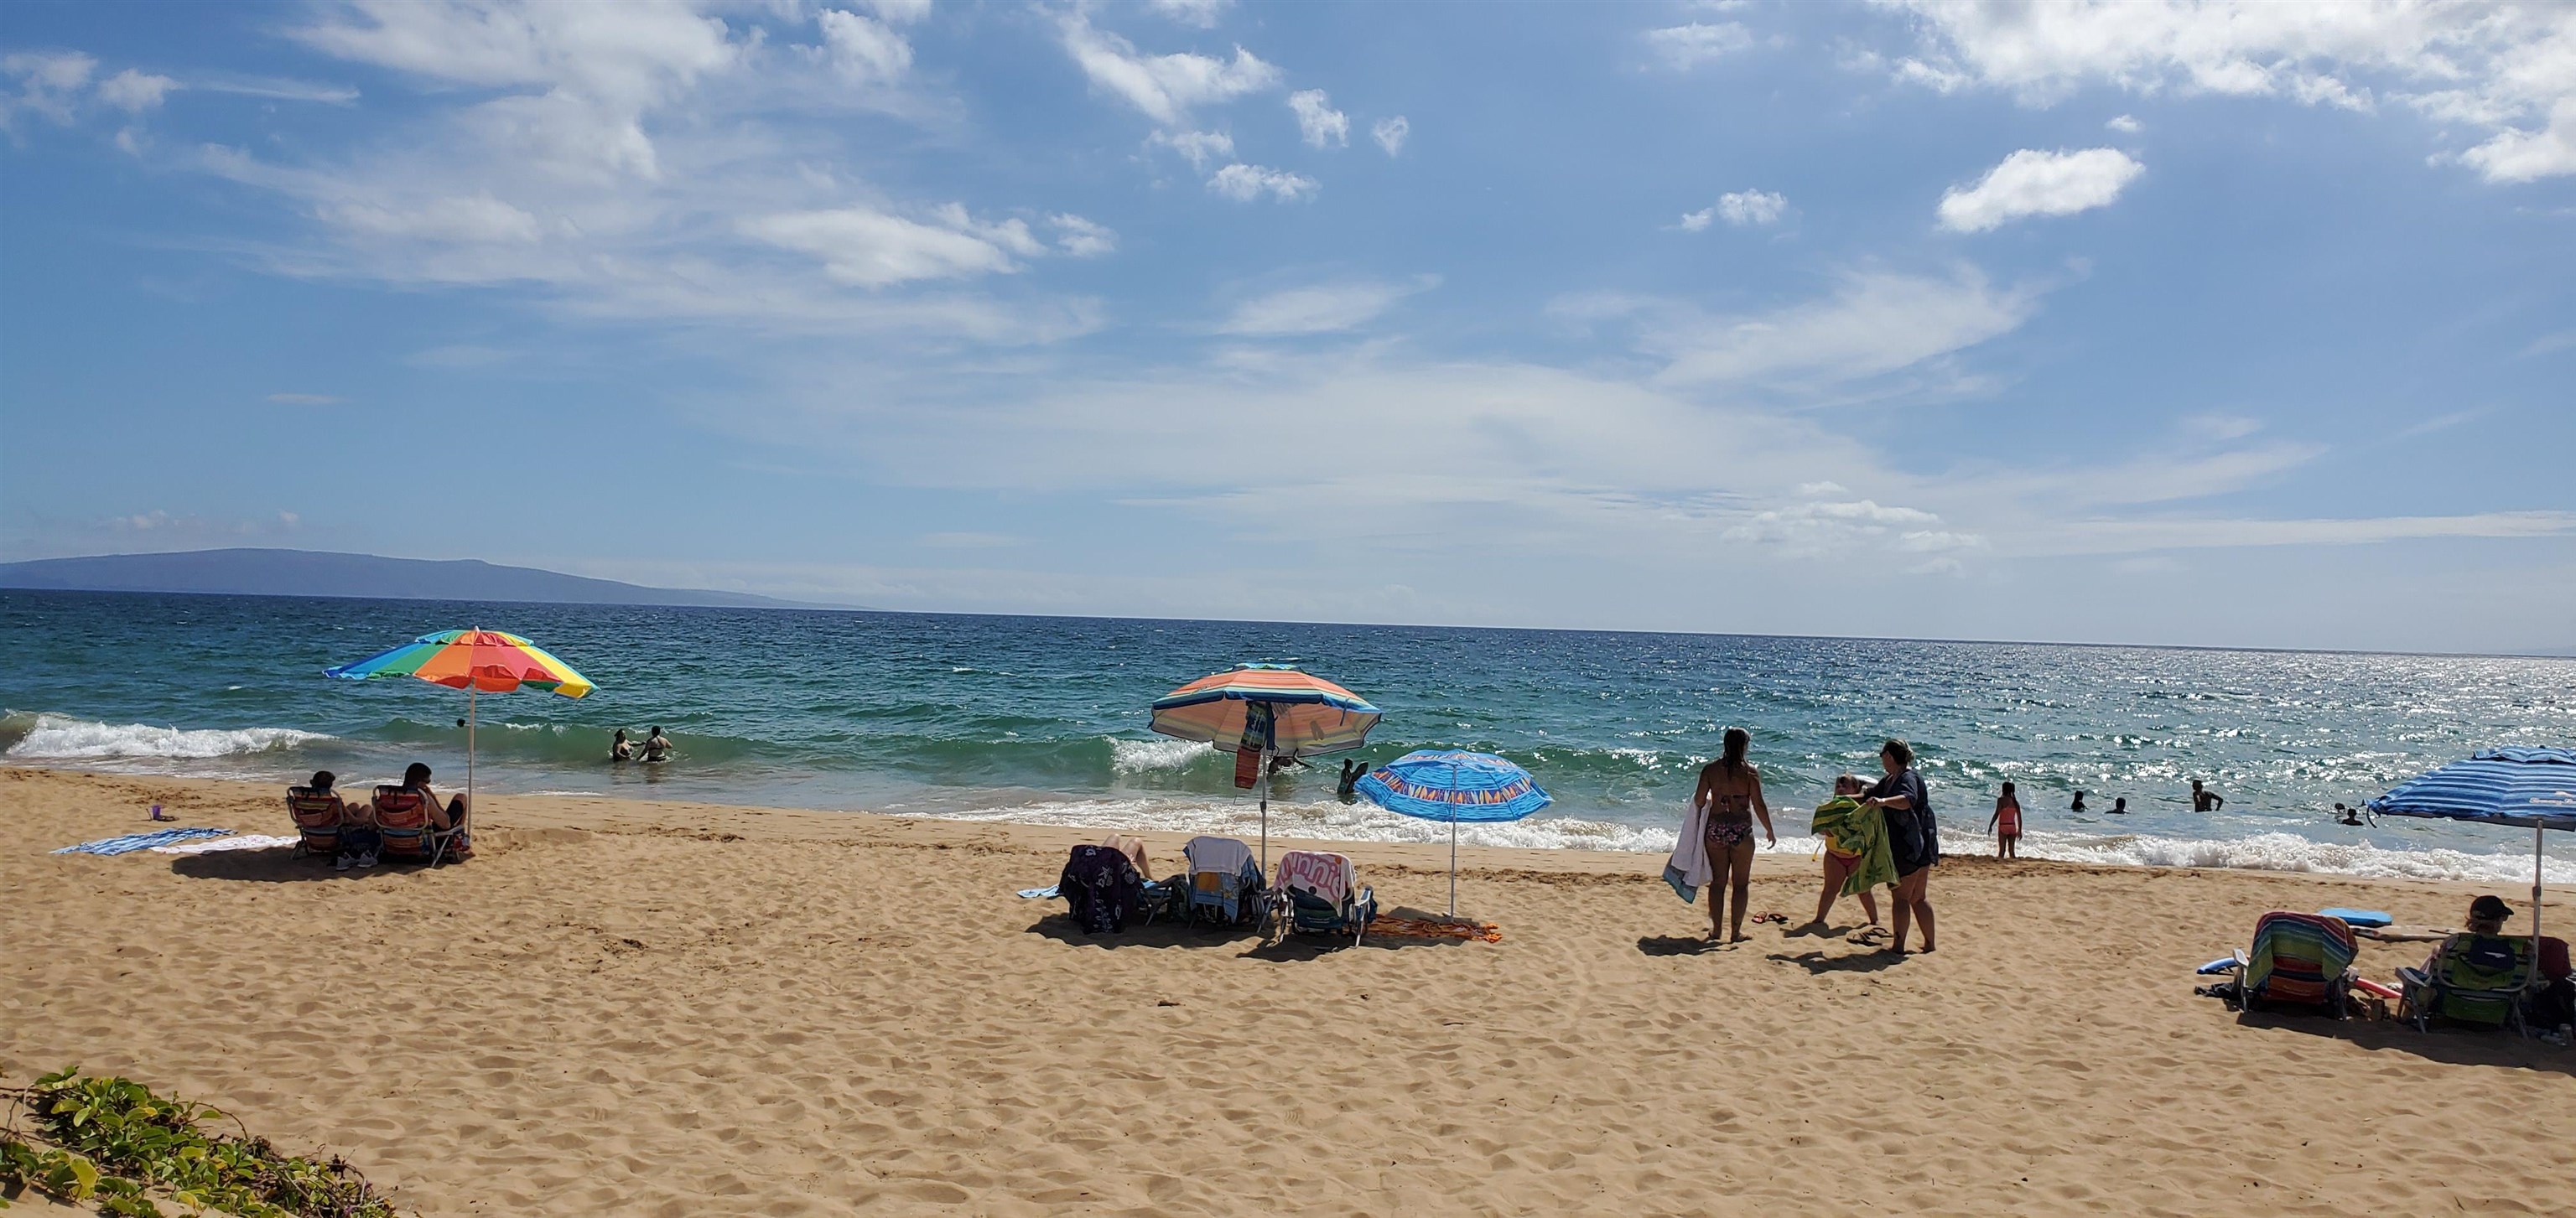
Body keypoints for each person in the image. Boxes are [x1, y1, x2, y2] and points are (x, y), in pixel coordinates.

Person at [1691, 728, 1775, 943]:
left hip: (1716, 830)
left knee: (1718, 883)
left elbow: (1699, 800)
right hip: (1741, 831)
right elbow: (1758, 804)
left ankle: (1717, 931)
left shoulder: (1710, 770)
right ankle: (1736, 933)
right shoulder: (1750, 772)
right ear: (1744, 746)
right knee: (1741, 884)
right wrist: (1769, 829)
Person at [1861, 738, 1936, 954]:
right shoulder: (1890, 779)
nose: (1881, 759)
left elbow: (1908, 799)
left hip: (1910, 846)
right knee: (1918, 898)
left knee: (1902, 897)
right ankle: (1929, 945)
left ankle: (1898, 946)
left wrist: (1884, 803)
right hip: (1921, 844)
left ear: (1889, 756)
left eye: (1882, 755)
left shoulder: (1908, 777)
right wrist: (1843, 802)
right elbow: (1869, 796)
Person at [1801, 775, 1883, 933]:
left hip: (1856, 857)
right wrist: (1826, 829)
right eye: (1837, 785)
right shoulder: (1831, 807)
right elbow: (1821, 826)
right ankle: (1819, 919)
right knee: (1830, 890)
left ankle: (1875, 920)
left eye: (1845, 785)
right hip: (1834, 856)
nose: (1840, 787)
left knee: (1863, 890)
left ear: (1856, 790)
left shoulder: (1861, 808)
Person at [1989, 780, 2023, 860]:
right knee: (2012, 852)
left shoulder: (2001, 800)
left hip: (2003, 826)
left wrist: (1991, 825)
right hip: (2012, 827)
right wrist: (2019, 830)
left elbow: (1997, 814)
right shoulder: (2016, 803)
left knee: (2002, 851)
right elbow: (2019, 818)